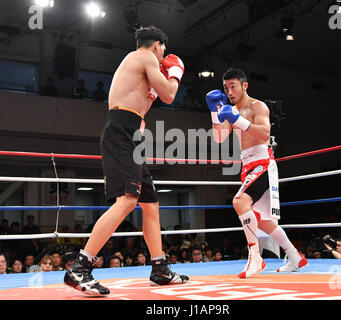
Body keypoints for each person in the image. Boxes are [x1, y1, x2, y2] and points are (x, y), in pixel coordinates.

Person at [64, 26, 188, 296]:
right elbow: (170, 94)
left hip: (130, 133)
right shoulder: (145, 57)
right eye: (164, 49)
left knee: (151, 204)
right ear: (157, 44)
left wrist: (156, 90)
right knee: (128, 200)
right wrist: (176, 73)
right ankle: (80, 266)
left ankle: (160, 268)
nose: (164, 54)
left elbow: (147, 103)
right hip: (122, 132)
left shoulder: (138, 64)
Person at [206, 68, 308, 278]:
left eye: (233, 86)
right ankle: (295, 256)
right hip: (247, 165)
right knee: (262, 221)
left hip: (263, 161)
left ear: (244, 85)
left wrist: (239, 120)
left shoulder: (257, 106)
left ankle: (255, 257)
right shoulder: (228, 109)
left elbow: (264, 133)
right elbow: (219, 138)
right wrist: (215, 112)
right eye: (226, 88)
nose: (229, 91)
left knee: (239, 202)